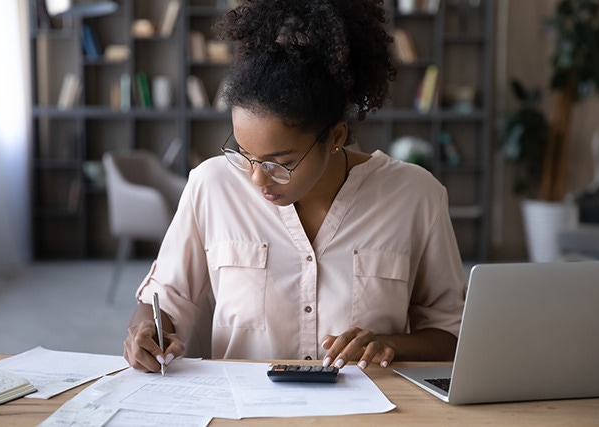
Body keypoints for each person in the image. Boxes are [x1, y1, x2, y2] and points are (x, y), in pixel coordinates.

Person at [123, 0, 466, 374]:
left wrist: (389, 344)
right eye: (244, 153)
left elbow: (450, 331)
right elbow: (165, 301)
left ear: (335, 136)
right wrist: (146, 332)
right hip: (245, 411)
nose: (257, 178)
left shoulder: (416, 196)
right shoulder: (212, 185)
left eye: (280, 163)